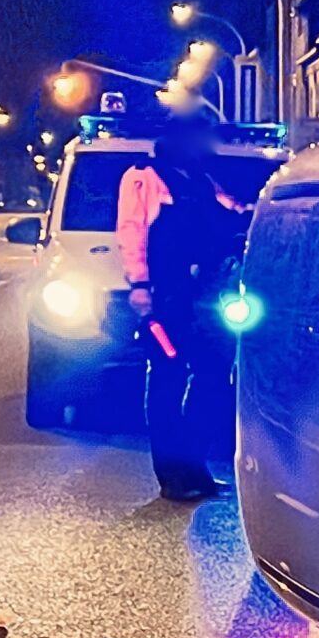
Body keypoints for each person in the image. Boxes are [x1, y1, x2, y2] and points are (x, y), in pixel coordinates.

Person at [116, 118, 250, 500]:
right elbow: (132, 231)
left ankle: (194, 466)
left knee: (213, 374)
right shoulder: (143, 177)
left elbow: (231, 214)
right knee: (167, 378)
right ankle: (172, 476)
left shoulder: (202, 180)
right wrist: (140, 286)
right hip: (166, 294)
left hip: (204, 296)